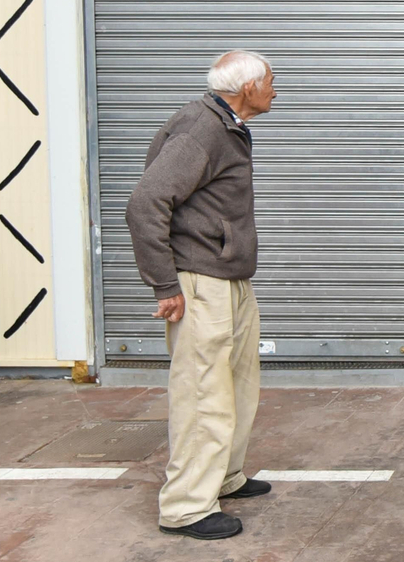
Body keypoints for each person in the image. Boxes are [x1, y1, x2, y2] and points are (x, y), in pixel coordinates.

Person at [127, 51, 277, 540]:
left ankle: (225, 477)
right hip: (198, 282)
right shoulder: (201, 129)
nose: (277, 89)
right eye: (271, 81)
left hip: (229, 278)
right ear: (248, 87)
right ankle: (186, 506)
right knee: (201, 393)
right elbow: (146, 202)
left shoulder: (227, 124)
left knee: (237, 384)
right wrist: (165, 284)